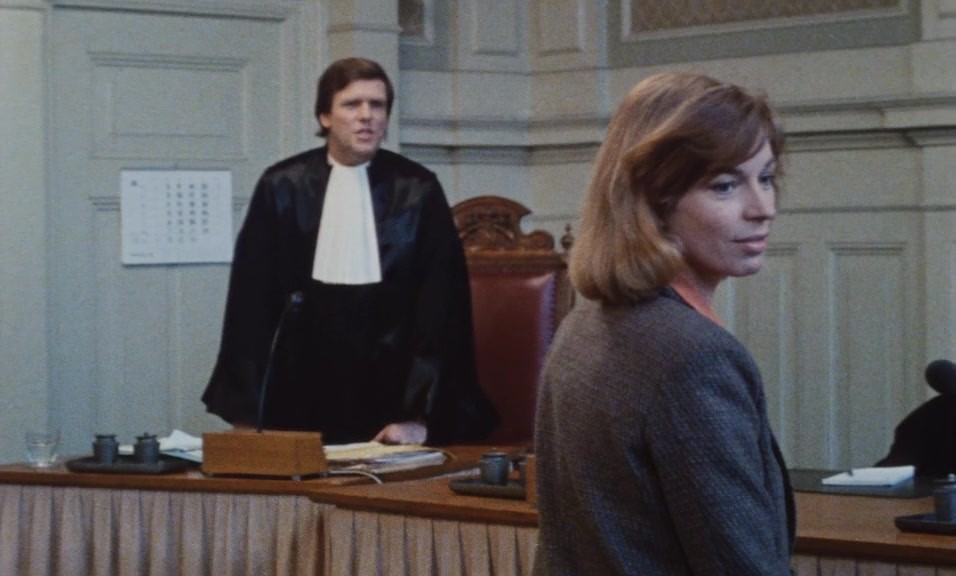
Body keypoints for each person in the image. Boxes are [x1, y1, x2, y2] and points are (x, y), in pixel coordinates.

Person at [533, 72, 795, 574]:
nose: (763, 209)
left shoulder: (583, 323)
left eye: (765, 178)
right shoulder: (692, 355)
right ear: (654, 200)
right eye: (725, 186)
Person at [202, 57, 498, 445]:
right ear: (325, 116)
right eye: (352, 104)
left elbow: (440, 315)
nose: (366, 116)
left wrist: (419, 418)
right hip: (297, 394)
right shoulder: (282, 187)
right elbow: (251, 308)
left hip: (390, 397)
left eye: (377, 105)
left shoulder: (418, 190)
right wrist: (248, 413)